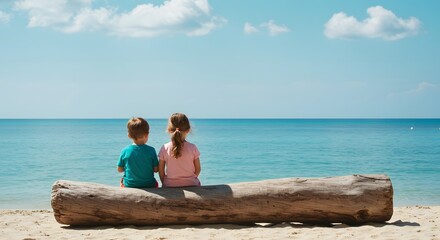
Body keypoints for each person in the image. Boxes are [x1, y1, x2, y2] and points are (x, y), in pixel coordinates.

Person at [158, 113, 201, 187]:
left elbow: (161, 171)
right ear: (188, 130)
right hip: (191, 184)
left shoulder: (164, 148)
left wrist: (165, 183)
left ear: (169, 130)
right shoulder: (193, 147)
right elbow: (198, 169)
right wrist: (190, 179)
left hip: (170, 185)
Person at [117, 117, 159, 188]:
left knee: (122, 181)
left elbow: (119, 169)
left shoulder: (125, 150)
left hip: (130, 185)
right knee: (156, 183)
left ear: (129, 135)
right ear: (147, 134)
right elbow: (156, 170)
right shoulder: (151, 150)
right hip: (149, 185)